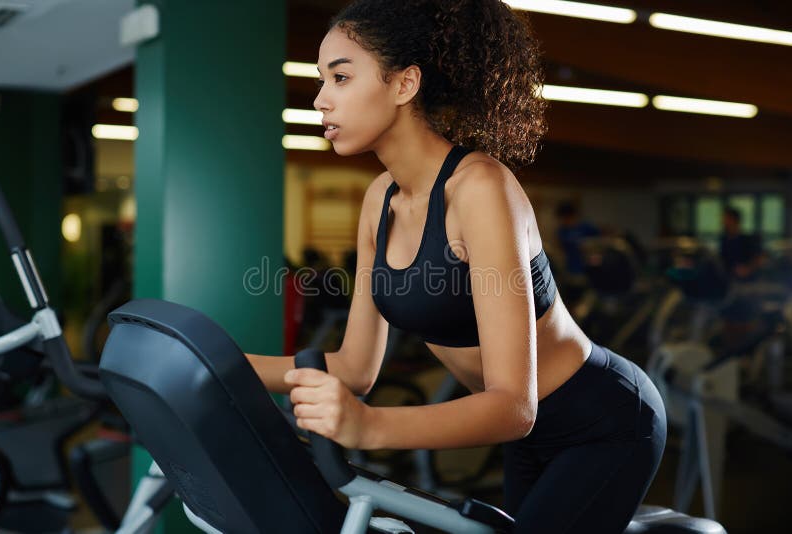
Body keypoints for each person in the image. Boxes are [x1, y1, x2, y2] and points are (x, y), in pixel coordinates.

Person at [244, 2, 666, 532]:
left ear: (404, 84)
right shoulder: (380, 201)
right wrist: (222, 365)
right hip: (524, 439)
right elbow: (355, 368)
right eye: (321, 81)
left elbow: (514, 404)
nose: (319, 99)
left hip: (601, 423)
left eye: (341, 77)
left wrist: (369, 427)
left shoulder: (480, 189)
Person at [719, 206, 763, 281]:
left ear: (734, 220)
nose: (723, 222)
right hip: (728, 277)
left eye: (726, 219)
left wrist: (748, 269)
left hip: (746, 278)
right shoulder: (724, 240)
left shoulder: (747, 240)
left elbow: (759, 258)